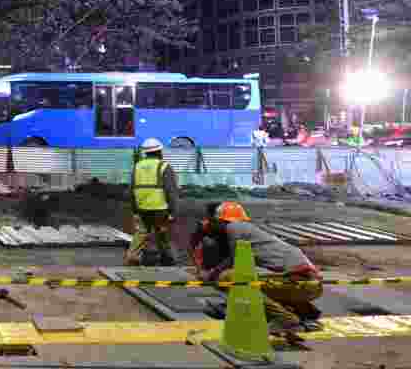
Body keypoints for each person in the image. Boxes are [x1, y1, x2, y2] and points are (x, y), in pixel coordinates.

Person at [190, 201, 323, 332]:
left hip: (301, 283)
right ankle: (305, 312)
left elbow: (235, 258)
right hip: (311, 285)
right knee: (254, 279)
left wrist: (211, 274)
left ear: (220, 220)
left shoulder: (234, 228)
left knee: (228, 278)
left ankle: (286, 320)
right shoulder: (250, 230)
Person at [126, 138, 178, 266]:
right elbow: (171, 191)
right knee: (162, 234)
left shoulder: (137, 167)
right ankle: (167, 260)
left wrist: (134, 210)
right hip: (160, 209)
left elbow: (131, 190)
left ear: (146, 152)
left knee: (141, 233)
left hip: (141, 208)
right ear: (160, 151)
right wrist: (173, 211)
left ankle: (132, 256)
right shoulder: (164, 166)